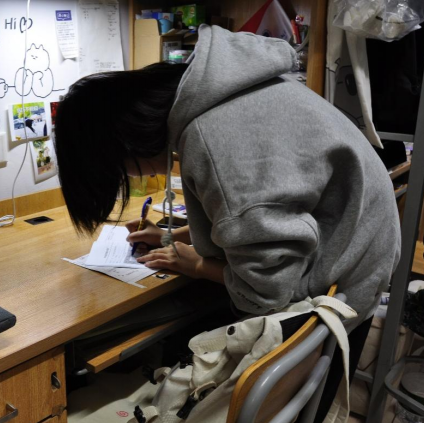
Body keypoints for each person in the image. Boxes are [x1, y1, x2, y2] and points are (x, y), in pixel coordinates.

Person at [55, 25, 400, 320]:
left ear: (125, 144)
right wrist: (175, 237)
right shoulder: (222, 92)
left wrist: (195, 265)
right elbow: (256, 216)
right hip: (349, 237)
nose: (132, 177)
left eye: (121, 170)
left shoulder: (214, 138)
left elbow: (267, 292)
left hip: (343, 280)